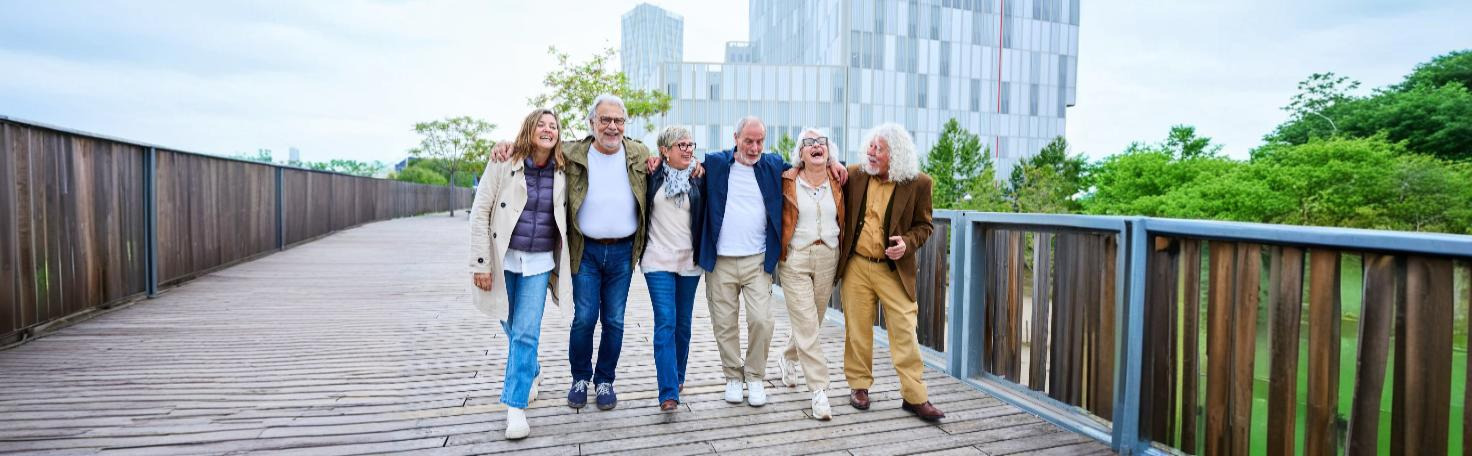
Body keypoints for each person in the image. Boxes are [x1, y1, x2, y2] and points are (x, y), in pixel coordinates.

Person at [492, 94, 651, 411]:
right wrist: (506, 143)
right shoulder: (571, 152)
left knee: (615, 321)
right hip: (584, 250)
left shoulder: (639, 153)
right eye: (604, 119)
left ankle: (604, 380)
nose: (612, 126)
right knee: (585, 318)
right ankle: (580, 377)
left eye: (618, 120)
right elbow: (538, 146)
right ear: (592, 123)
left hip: (622, 253)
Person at [467, 108, 573, 439]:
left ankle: (515, 409)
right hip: (504, 258)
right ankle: (532, 369)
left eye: (553, 125)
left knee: (526, 332)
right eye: (541, 124)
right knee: (510, 325)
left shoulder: (564, 167)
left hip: (540, 262)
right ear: (528, 129)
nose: (547, 129)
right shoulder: (504, 161)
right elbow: (481, 210)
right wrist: (480, 262)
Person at [837, 123, 944, 422]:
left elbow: (925, 226)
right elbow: (830, 174)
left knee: (905, 332)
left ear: (895, 155)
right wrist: (832, 162)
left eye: (878, 149)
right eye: (870, 146)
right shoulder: (856, 175)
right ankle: (859, 386)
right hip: (857, 264)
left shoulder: (919, 183)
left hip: (893, 269)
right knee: (857, 330)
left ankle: (915, 397)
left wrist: (907, 244)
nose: (871, 153)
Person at [695, 116, 787, 407]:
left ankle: (756, 377)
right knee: (725, 323)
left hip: (757, 260)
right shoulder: (716, 164)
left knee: (762, 320)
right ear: (736, 138)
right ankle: (733, 377)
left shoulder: (773, 165)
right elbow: (682, 163)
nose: (755, 146)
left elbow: (808, 168)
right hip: (720, 260)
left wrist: (834, 162)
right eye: (749, 140)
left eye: (760, 140)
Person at [775, 128, 843, 421]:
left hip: (829, 254)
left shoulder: (840, 179)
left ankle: (788, 356)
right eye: (809, 143)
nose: (816, 146)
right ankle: (819, 390)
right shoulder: (786, 180)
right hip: (795, 257)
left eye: (821, 143)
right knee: (806, 322)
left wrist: (838, 166)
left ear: (830, 151)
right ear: (800, 153)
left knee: (811, 321)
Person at [640, 126, 705, 413]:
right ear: (665, 150)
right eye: (681, 145)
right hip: (657, 259)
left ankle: (678, 376)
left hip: (689, 261)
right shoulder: (650, 176)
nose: (688, 149)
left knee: (683, 324)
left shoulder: (699, 177)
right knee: (665, 321)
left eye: (691, 144)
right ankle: (668, 391)